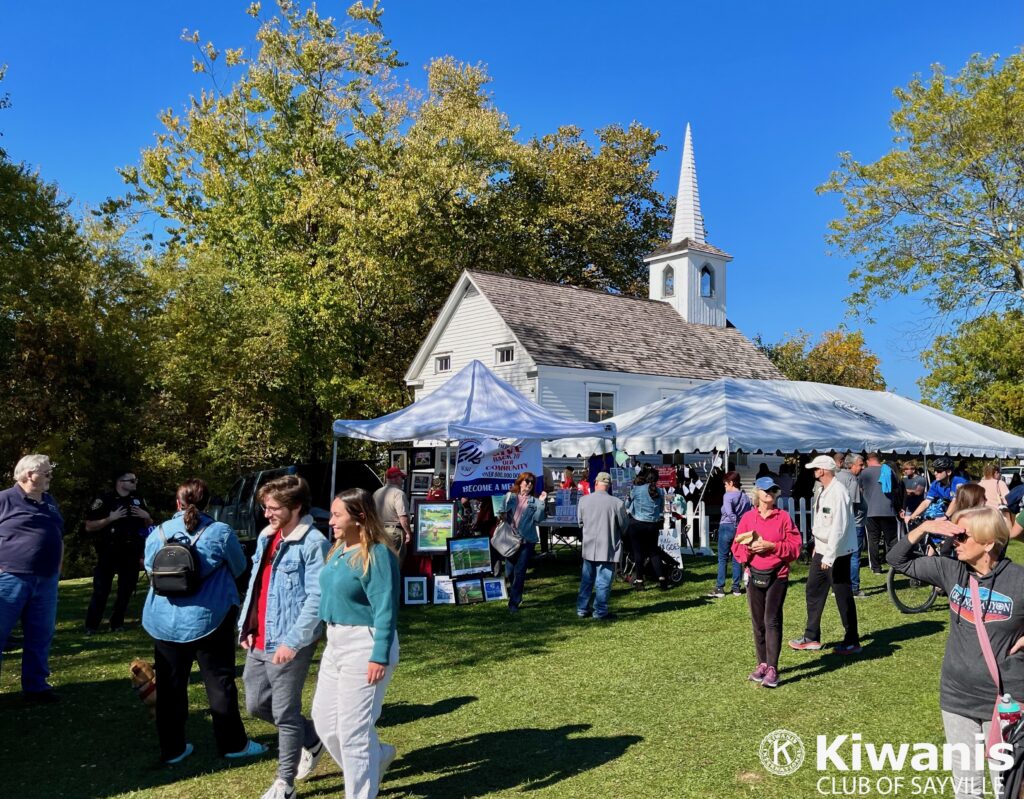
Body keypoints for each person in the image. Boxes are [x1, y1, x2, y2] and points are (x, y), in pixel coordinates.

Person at [888, 507, 1024, 799]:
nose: (955, 542)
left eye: (963, 536)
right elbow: (896, 560)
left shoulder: (1019, 580)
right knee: (967, 789)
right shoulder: (951, 570)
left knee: (1007, 789)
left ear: (988, 543)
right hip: (956, 698)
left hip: (1004, 704)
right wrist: (925, 527)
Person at [142, 478, 266, 764]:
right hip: (210, 617)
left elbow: (150, 567)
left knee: (170, 687)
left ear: (177, 502)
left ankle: (172, 749)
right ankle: (233, 744)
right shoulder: (220, 531)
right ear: (208, 503)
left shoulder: (159, 532)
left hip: (164, 620)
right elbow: (240, 567)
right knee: (219, 682)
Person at [238, 476, 329, 799]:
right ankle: (313, 738)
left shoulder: (313, 543)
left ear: (296, 508)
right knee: (255, 705)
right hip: (259, 638)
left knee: (284, 713)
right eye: (266, 507)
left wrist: (294, 641)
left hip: (291, 642)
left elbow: (317, 598)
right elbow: (256, 585)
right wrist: (245, 627)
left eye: (274, 508)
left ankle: (283, 784)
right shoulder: (267, 536)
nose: (267, 514)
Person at [312, 488, 400, 799]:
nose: (330, 521)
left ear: (359, 517)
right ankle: (376, 757)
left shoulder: (376, 554)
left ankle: (361, 793)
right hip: (335, 642)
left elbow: (385, 608)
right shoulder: (337, 550)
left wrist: (379, 656)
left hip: (366, 643)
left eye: (337, 515)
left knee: (353, 731)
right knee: (325, 723)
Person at [0, 454, 64, 703]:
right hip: (10, 577)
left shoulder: (49, 502)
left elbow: (58, 534)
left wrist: (58, 568)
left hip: (46, 579)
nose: (50, 477)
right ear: (29, 475)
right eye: (46, 473)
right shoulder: (5, 499)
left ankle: (36, 687)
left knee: (40, 634)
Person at [731, 476, 802, 689]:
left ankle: (773, 668)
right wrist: (748, 552)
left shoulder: (784, 518)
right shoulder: (747, 518)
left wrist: (772, 546)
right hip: (754, 574)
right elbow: (737, 547)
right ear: (757, 493)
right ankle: (761, 663)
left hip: (777, 575)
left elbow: (795, 547)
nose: (769, 493)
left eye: (773, 490)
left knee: (771, 619)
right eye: (765, 490)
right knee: (757, 622)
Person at [789, 456, 861, 655]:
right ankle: (811, 637)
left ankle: (852, 640)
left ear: (823, 471)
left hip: (837, 553)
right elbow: (823, 524)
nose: (813, 471)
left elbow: (839, 527)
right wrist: (818, 547)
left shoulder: (838, 492)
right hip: (822, 550)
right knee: (813, 590)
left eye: (815, 468)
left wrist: (829, 557)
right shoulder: (823, 491)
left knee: (843, 596)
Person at [84, 469, 153, 634]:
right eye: (131, 480)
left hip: (131, 551)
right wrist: (110, 519)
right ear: (120, 482)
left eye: (135, 480)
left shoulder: (137, 500)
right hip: (109, 550)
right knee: (101, 589)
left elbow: (149, 525)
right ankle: (92, 625)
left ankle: (117, 623)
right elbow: (89, 526)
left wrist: (147, 516)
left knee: (126, 590)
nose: (135, 483)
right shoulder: (104, 500)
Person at [576, 472, 628, 620]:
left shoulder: (583, 501)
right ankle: (600, 611)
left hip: (589, 546)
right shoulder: (617, 503)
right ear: (609, 485)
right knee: (603, 581)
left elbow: (580, 523)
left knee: (587, 580)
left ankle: (581, 609)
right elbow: (624, 525)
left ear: (596, 483)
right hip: (608, 547)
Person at [501, 472, 547, 613]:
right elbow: (501, 513)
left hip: (526, 541)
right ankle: (517, 593)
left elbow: (539, 519)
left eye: (531, 482)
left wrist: (542, 502)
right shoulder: (510, 497)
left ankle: (514, 602)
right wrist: (502, 512)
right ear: (520, 482)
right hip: (510, 539)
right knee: (509, 571)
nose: (528, 484)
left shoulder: (535, 502)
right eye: (526, 481)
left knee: (520, 571)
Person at [707, 471, 752, 598]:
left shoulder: (728, 496)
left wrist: (735, 522)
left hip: (727, 526)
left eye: (726, 484)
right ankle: (736, 588)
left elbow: (729, 512)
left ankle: (720, 588)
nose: (725, 487)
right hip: (740, 529)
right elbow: (748, 514)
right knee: (737, 557)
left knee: (722, 558)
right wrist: (740, 525)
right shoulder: (745, 497)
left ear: (731, 483)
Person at [626, 469, 668, 591]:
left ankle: (640, 581)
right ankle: (662, 579)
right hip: (653, 525)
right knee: (654, 552)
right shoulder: (660, 491)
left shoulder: (636, 489)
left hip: (637, 523)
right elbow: (661, 509)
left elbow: (626, 505)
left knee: (638, 553)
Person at [859, 452, 900, 574]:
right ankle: (895, 565)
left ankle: (876, 567)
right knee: (892, 540)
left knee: (873, 540)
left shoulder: (864, 472)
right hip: (888, 510)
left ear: (868, 460)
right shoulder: (888, 470)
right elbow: (896, 488)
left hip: (871, 511)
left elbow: (859, 489)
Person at [903, 456, 967, 529]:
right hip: (949, 512)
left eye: (939, 471)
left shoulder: (959, 482)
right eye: (935, 470)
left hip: (964, 512)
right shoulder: (935, 483)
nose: (935, 473)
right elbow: (926, 502)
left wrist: (945, 517)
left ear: (949, 472)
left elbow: (956, 501)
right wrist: (912, 516)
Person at [835, 454, 867, 598]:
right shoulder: (852, 479)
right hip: (854, 523)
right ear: (851, 465)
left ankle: (838, 587)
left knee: (839, 555)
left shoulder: (837, 476)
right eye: (860, 465)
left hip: (840, 523)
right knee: (854, 556)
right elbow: (852, 504)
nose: (862, 467)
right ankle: (854, 588)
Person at [373, 467, 411, 563]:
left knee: (381, 563)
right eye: (401, 478)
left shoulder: (376, 493)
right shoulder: (399, 494)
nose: (402, 481)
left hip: (378, 531)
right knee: (395, 564)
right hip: (394, 532)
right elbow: (403, 517)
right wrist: (408, 532)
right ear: (397, 478)